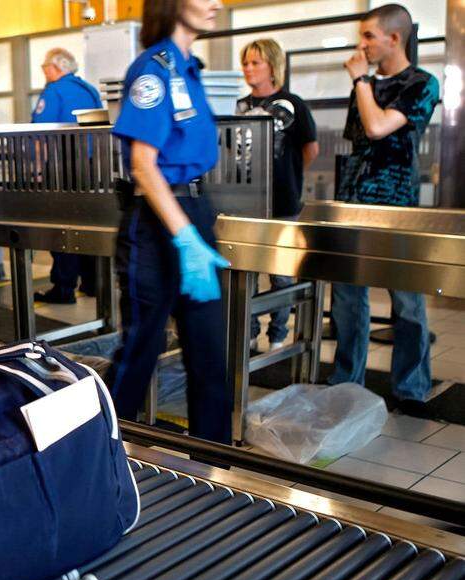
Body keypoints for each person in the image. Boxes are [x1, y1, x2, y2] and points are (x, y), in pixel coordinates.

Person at [107, 0, 230, 445]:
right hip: (156, 223)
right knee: (142, 349)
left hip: (193, 211)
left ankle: (217, 470)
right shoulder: (152, 69)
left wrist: (194, 232)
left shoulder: (190, 70)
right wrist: (184, 237)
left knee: (210, 355)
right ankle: (103, 451)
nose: (217, 3)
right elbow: (143, 164)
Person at [331, 3, 439, 413]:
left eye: (368, 37)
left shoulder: (421, 84)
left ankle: (411, 389)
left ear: (394, 38)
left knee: (406, 298)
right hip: (353, 202)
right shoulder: (365, 85)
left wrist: (362, 81)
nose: (361, 46)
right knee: (346, 296)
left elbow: (377, 128)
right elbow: (356, 140)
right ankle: (346, 381)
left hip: (396, 207)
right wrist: (363, 84)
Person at [236, 38, 318, 351]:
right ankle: (250, 334)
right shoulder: (241, 106)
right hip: (246, 203)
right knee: (247, 274)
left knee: (281, 276)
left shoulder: (293, 104)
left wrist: (288, 176)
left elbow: (310, 149)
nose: (248, 69)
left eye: (255, 62)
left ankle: (279, 334)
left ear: (273, 66)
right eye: (245, 63)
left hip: (283, 202)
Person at [31, 47, 105, 305]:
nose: (44, 72)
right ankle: (94, 283)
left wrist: (38, 170)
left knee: (60, 227)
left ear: (55, 67)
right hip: (92, 167)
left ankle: (63, 288)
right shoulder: (89, 90)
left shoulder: (54, 90)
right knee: (88, 224)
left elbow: (41, 133)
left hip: (62, 166)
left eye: (44, 67)